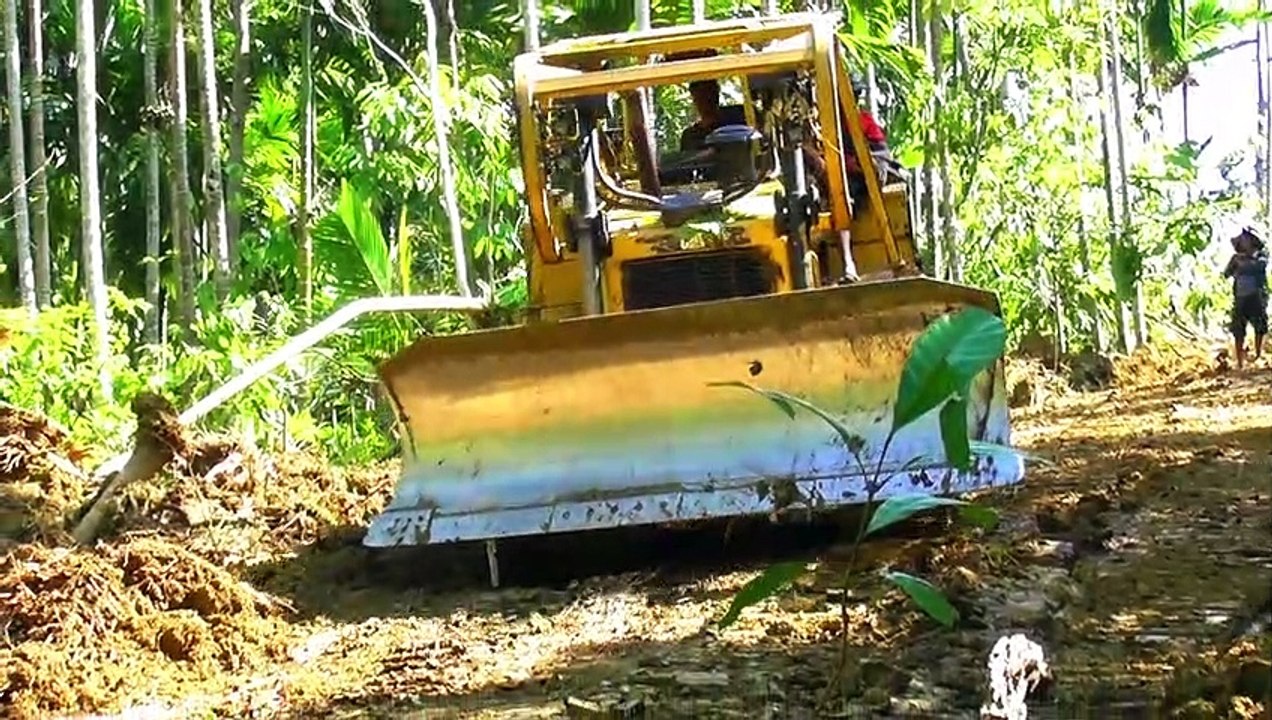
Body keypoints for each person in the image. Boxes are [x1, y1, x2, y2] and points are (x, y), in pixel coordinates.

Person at [1222, 227, 1268, 369]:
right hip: (1240, 297)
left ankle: (1258, 355)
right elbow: (1226, 273)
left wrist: (1243, 263)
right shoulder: (1236, 259)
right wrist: (1235, 264)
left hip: (1256, 296)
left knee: (1260, 327)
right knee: (1238, 329)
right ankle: (1240, 361)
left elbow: (1259, 267)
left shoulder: (1260, 256)